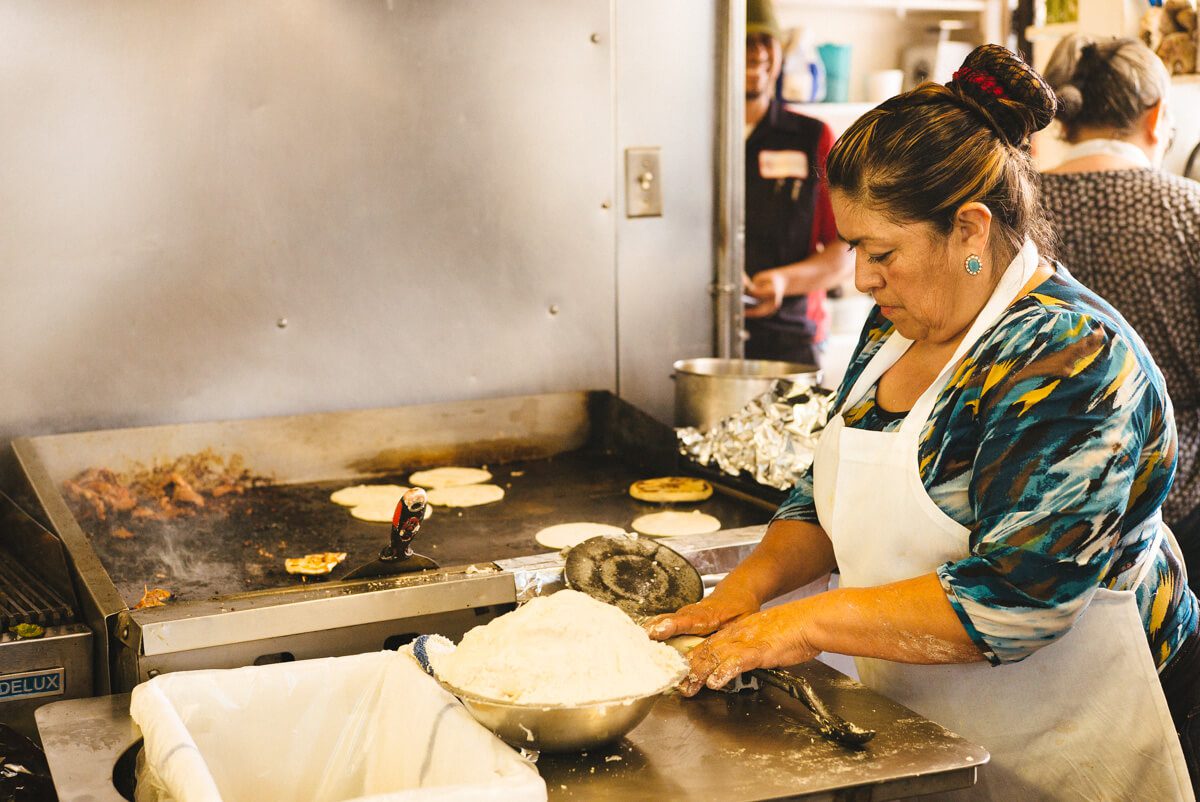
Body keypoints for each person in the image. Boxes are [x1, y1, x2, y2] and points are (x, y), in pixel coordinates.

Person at [648, 44, 1200, 800]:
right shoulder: (899, 324)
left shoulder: (1071, 361)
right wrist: (742, 595)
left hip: (1079, 738)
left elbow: (1016, 600)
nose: (861, 278)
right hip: (942, 733)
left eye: (879, 251)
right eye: (852, 249)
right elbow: (823, 497)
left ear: (970, 230)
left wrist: (805, 624)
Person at [1040, 35, 1200, 594]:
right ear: (1156, 118)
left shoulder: (1012, 210)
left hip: (1028, 502)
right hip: (1169, 505)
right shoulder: (1189, 211)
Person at [742, 0, 853, 365]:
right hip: (693, 334)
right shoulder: (692, 136)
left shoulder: (810, 138)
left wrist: (781, 282)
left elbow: (847, 249)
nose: (756, 52)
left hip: (789, 343)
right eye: (745, 40)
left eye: (765, 40)